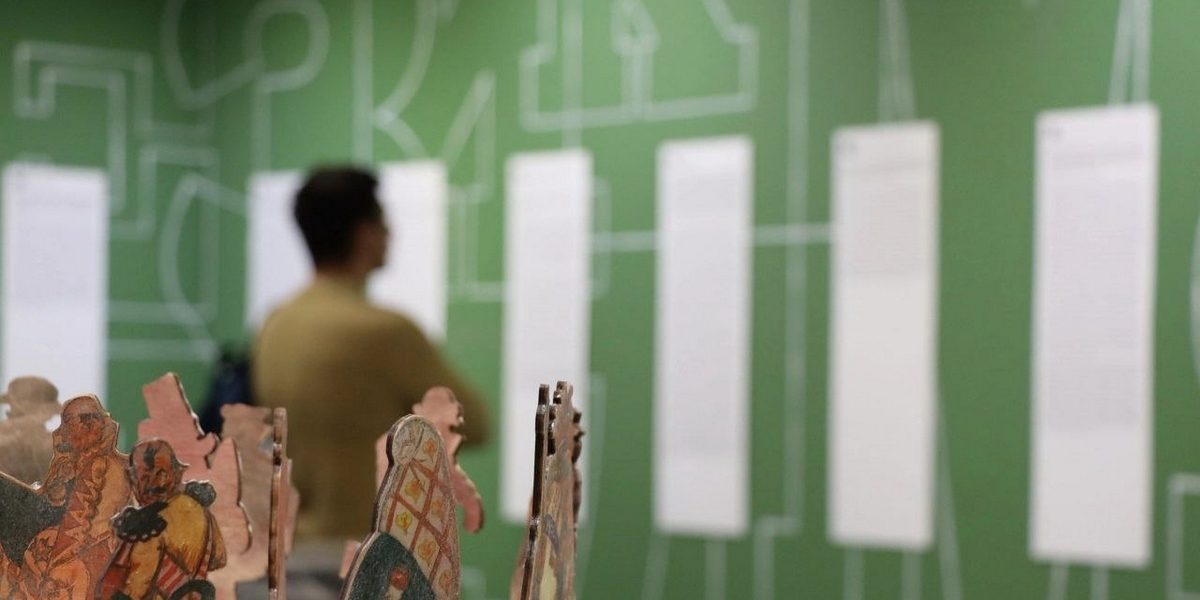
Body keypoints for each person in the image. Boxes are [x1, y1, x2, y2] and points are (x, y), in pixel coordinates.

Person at [252, 165, 490, 540]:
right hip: (363, 550)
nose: (390, 232)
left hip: (289, 548)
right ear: (364, 233)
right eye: (383, 220)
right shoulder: (385, 332)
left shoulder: (274, 325)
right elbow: (473, 423)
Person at [97, 440, 226, 600]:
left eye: (160, 474)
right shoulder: (203, 512)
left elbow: (137, 587)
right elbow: (219, 559)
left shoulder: (150, 524)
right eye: (145, 477)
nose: (156, 482)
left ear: (133, 478)